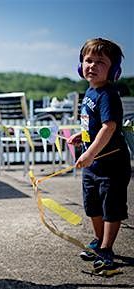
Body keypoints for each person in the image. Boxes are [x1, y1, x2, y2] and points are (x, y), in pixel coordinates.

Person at [67, 38, 131, 272]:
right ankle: (97, 239)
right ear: (80, 65)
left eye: (100, 62)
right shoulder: (90, 91)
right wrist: (80, 136)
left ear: (113, 70)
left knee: (110, 208)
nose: (92, 66)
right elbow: (92, 126)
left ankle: (106, 248)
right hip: (93, 165)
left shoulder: (108, 95)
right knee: (92, 206)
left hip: (111, 164)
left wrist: (90, 153)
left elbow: (109, 127)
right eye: (88, 60)